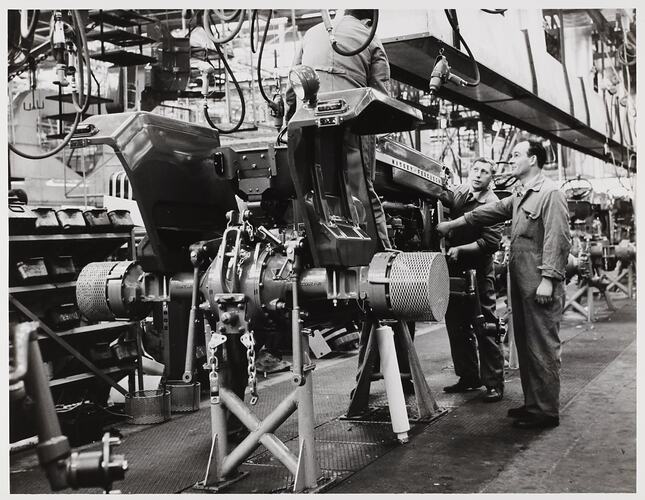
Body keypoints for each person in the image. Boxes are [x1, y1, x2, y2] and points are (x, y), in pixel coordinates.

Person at [437, 140, 571, 429]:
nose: (511, 161)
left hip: (539, 282)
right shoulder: (521, 194)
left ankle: (545, 412)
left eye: (516, 155)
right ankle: (533, 404)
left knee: (542, 346)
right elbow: (489, 211)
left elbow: (558, 240)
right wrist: (453, 224)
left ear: (533, 160)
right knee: (525, 345)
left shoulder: (550, 194)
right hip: (522, 283)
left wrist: (549, 279)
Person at [286, 9, 392, 250]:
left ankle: (308, 247)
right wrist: (383, 134)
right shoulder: (371, 39)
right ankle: (383, 252)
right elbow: (381, 98)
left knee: (307, 188)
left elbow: (291, 86)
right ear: (369, 21)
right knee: (362, 191)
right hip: (350, 122)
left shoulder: (311, 33)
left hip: (307, 120)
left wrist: (286, 123)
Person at [439, 157, 505, 402]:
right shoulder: (460, 194)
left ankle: (494, 383)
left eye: (485, 172)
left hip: (479, 272)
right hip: (455, 269)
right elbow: (442, 195)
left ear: (491, 178)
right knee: (456, 325)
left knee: (485, 325)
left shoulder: (492, 203)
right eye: (475, 169)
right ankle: (468, 377)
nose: (478, 174)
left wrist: (460, 249)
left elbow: (490, 243)